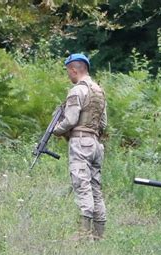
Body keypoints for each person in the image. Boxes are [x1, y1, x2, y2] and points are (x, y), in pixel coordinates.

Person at [53, 53, 107, 240]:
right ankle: (99, 236)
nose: (69, 75)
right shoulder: (99, 91)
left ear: (74, 69)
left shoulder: (77, 90)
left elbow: (71, 120)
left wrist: (56, 130)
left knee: (82, 186)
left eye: (69, 71)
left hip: (80, 143)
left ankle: (84, 235)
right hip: (96, 144)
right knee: (95, 189)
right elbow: (103, 124)